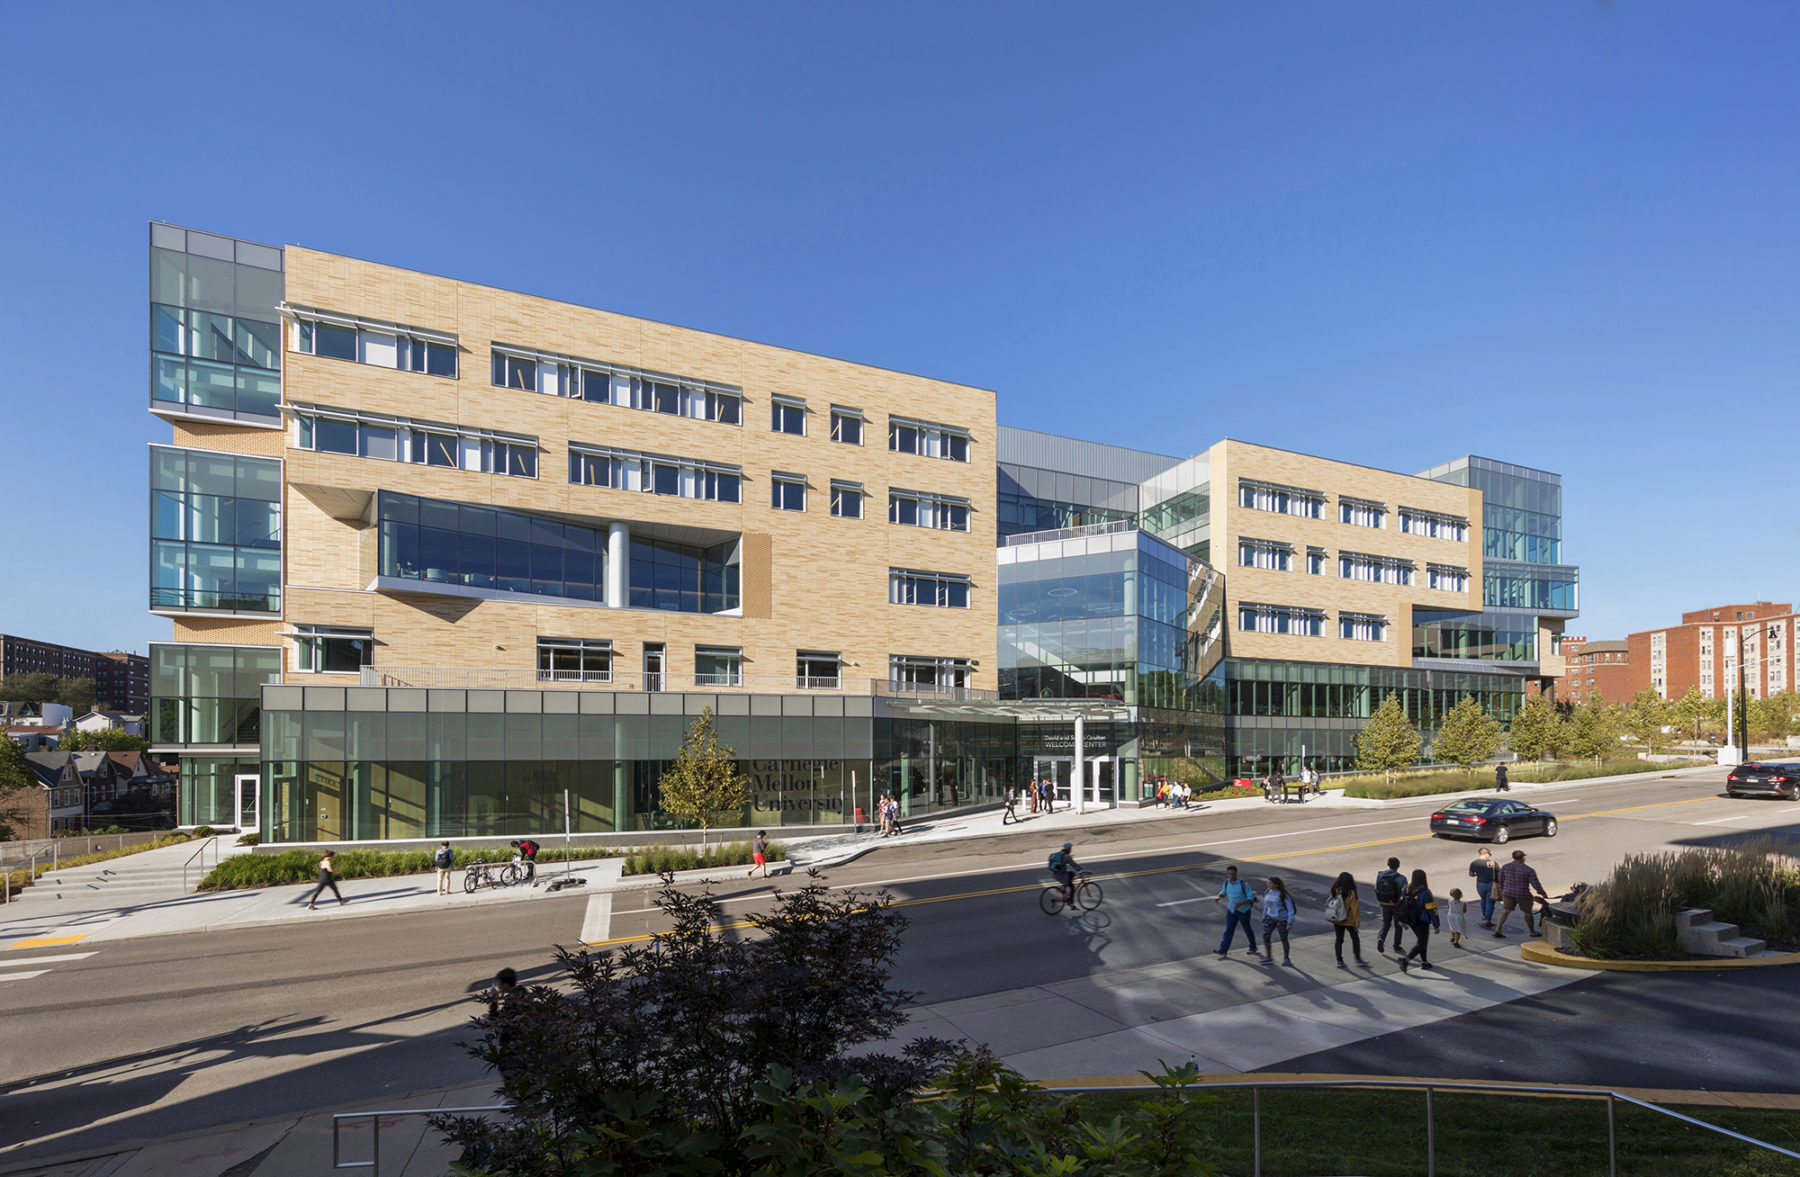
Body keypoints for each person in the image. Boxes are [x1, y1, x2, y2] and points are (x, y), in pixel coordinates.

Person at [1494, 849, 1549, 937]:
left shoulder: (1505, 867)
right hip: (1523, 894)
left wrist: (1503, 889)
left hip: (1508, 893)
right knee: (1527, 913)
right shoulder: (1528, 870)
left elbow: (1501, 880)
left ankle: (1498, 929)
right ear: (1523, 858)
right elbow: (1535, 884)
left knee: (1505, 910)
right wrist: (1542, 893)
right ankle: (1532, 931)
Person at [1397, 869, 1440, 972]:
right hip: (1422, 920)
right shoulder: (1425, 892)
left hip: (1411, 919)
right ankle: (1406, 960)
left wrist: (1401, 919)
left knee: (1422, 941)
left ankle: (1424, 962)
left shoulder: (1406, 889)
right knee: (1422, 942)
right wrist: (1436, 924)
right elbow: (1431, 909)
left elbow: (1402, 904)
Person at [1213, 865, 1259, 956]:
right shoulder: (1226, 883)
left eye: (1233, 874)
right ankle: (1223, 950)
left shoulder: (1243, 884)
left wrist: (1241, 904)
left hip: (1243, 911)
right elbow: (1224, 892)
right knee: (1229, 930)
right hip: (1231, 911)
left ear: (1236, 873)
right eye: (1229, 874)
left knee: (1247, 929)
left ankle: (1253, 947)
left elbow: (1250, 897)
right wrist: (1218, 897)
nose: (1231, 876)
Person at [1327, 871, 1367, 968]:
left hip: (1337, 919)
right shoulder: (1351, 892)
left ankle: (1339, 960)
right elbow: (1355, 908)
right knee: (1355, 939)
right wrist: (1357, 922)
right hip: (1349, 920)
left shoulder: (1334, 890)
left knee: (1339, 940)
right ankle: (1357, 959)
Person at [1257, 876, 1298, 967]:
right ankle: (1268, 956)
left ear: (1276, 885)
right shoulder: (1268, 892)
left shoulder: (1283, 895)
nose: (1268, 884)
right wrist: (1264, 916)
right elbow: (1266, 905)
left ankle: (1286, 958)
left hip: (1282, 919)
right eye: (1268, 883)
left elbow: (1290, 910)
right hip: (1270, 917)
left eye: (1270, 883)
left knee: (1283, 939)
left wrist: (1290, 922)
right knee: (1266, 936)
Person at [1374, 856, 1407, 954]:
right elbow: (1404, 893)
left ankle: (1381, 938)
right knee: (1398, 925)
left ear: (1388, 864)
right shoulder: (1401, 878)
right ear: (1398, 866)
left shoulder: (1380, 875)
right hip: (1396, 905)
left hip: (1384, 904)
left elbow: (1376, 888)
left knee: (1386, 924)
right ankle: (1396, 946)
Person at [1469, 846, 1498, 928]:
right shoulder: (1492, 863)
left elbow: (1471, 874)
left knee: (1483, 899)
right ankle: (1488, 919)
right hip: (1491, 884)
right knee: (1490, 902)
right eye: (1489, 854)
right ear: (1486, 854)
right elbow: (1498, 873)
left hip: (1480, 884)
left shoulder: (1474, 863)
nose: (1490, 856)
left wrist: (1477, 874)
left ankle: (1484, 915)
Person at [1048, 841, 1082, 905]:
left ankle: (1064, 888)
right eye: (1070, 848)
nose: (1071, 849)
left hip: (1055, 874)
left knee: (1070, 874)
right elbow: (1074, 865)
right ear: (1068, 848)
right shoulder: (1067, 856)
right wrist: (1082, 870)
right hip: (1061, 875)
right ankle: (1071, 901)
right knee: (1072, 885)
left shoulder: (1059, 854)